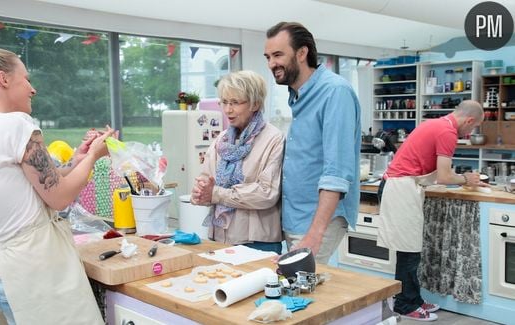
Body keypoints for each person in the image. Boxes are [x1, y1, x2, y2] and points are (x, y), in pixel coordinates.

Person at [0, 34, 114, 324]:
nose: (33, 89)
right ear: (3, 79)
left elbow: (37, 181)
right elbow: (59, 197)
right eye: (27, 79)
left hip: (2, 274)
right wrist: (94, 158)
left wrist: (77, 158)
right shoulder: (15, 124)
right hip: (36, 277)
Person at [377, 100, 486, 321]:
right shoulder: (448, 132)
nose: (470, 132)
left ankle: (413, 298)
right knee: (409, 252)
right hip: (401, 188)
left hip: (401, 185)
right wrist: (467, 178)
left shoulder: (435, 124)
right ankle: (404, 305)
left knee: (411, 251)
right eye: (473, 128)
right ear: (469, 120)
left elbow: (433, 169)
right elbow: (445, 176)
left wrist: (460, 179)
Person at [264, 22, 361, 263]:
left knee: (303, 293)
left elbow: (336, 172)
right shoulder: (297, 96)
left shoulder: (334, 92)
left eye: (278, 55)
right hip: (295, 218)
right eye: (268, 57)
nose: (271, 64)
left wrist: (315, 235)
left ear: (302, 52)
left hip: (316, 221)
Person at [190, 70, 284, 254]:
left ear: (255, 104)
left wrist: (216, 194)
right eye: (224, 102)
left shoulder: (273, 139)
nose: (227, 110)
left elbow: (266, 193)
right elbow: (206, 180)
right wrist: (199, 193)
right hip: (220, 239)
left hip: (258, 243)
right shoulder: (222, 140)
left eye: (235, 103)